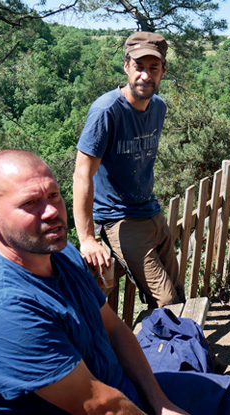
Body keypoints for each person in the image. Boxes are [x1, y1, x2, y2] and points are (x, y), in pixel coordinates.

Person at [0, 149, 230, 415]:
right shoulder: (4, 309)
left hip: (117, 389)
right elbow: (99, 407)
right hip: (95, 405)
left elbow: (114, 328)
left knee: (228, 395)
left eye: (53, 195)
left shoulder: (60, 252)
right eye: (30, 203)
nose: (50, 212)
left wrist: (161, 402)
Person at [73, 31, 184, 309]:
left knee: (178, 293)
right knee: (166, 301)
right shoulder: (106, 111)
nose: (145, 76)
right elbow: (82, 174)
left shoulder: (158, 107)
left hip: (150, 210)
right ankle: (142, 352)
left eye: (153, 68)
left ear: (163, 72)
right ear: (126, 66)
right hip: (118, 218)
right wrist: (87, 239)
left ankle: (177, 351)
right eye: (139, 67)